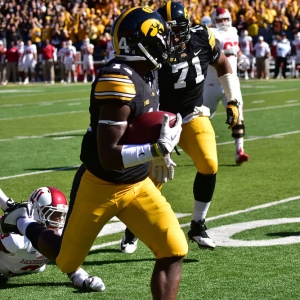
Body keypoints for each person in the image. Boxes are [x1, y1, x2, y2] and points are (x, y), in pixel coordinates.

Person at [0, 7, 188, 299]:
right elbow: (108, 155)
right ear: (138, 43)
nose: (166, 43)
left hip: (137, 184)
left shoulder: (148, 71)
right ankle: (23, 221)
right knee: (66, 260)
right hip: (100, 184)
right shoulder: (118, 80)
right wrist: (155, 148)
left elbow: (141, 125)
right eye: (160, 37)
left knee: (174, 249)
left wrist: (159, 152)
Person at [121, 2, 241, 254]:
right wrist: (150, 134)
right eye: (167, 30)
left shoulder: (202, 37)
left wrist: (233, 99)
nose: (172, 36)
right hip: (159, 118)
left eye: (177, 29)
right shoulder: (152, 49)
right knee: (152, 180)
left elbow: (222, 64)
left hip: (191, 114)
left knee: (209, 164)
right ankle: (132, 227)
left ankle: (198, 224)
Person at [0, 187, 104, 291]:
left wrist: (83, 278)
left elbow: (68, 263)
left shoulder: (60, 234)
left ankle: (11, 208)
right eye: (52, 214)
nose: (57, 220)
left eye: (60, 215)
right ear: (36, 211)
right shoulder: (17, 240)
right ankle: (11, 209)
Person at [202, 7, 250, 166]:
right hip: (212, 83)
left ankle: (239, 151)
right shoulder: (211, 33)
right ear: (214, 20)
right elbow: (210, 52)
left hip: (231, 83)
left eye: (225, 19)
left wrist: (242, 58)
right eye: (220, 20)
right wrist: (222, 50)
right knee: (201, 118)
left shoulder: (234, 31)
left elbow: (237, 50)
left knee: (238, 116)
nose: (223, 23)